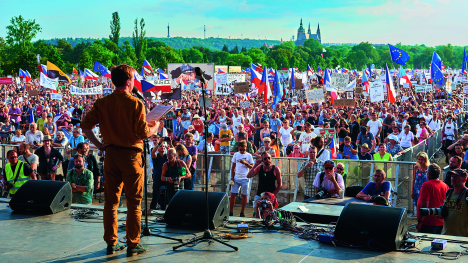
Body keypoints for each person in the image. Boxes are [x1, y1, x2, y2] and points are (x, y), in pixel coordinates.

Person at [81, 65, 160, 256]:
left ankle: (111, 242)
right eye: (133, 78)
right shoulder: (135, 103)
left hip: (111, 156)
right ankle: (133, 243)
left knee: (111, 202)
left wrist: (100, 145)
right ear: (128, 82)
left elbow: (85, 126)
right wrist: (154, 128)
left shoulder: (103, 102)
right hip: (132, 156)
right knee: (134, 203)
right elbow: (142, 133)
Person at [247, 152, 282, 218]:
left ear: (271, 158)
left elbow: (280, 185)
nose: (267, 159)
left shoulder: (276, 169)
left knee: (270, 216)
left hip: (271, 196)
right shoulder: (259, 167)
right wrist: (255, 165)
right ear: (262, 160)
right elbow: (248, 176)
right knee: (256, 215)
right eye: (265, 158)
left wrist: (272, 195)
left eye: (269, 158)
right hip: (259, 195)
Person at [416, 164, 448, 234]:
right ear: (439, 175)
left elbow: (424, 206)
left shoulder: (427, 185)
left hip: (428, 222)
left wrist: (420, 221)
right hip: (440, 222)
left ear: (428, 174)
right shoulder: (445, 186)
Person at [229, 141, 254, 217]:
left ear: (246, 148)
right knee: (233, 194)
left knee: (244, 195)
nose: (242, 151)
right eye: (241, 149)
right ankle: (231, 211)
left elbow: (252, 167)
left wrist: (245, 163)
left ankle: (242, 212)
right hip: (236, 178)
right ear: (238, 148)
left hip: (245, 178)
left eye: (243, 149)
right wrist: (232, 177)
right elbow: (233, 167)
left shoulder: (249, 155)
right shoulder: (236, 155)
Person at [441, 168, 468, 237]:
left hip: (462, 236)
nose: (453, 178)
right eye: (452, 176)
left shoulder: (467, 193)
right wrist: (440, 214)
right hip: (445, 234)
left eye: (456, 177)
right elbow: (446, 212)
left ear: (465, 179)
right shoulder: (448, 192)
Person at [149, 143, 168, 211]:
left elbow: (174, 153)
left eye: (163, 146)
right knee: (155, 197)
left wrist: (170, 144)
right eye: (161, 146)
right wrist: (159, 142)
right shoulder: (156, 156)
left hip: (165, 179)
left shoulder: (167, 156)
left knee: (164, 198)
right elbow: (153, 152)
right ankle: (151, 211)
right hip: (157, 179)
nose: (162, 147)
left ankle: (163, 212)